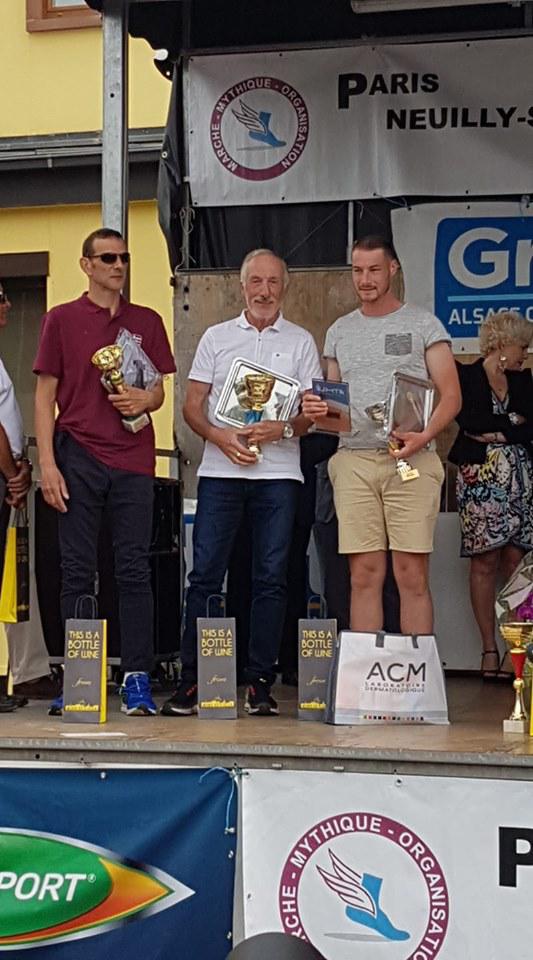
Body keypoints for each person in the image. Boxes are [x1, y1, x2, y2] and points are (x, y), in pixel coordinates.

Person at [162, 248, 322, 717]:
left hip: (279, 475)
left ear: (284, 287)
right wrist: (220, 437)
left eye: (273, 282)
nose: (264, 291)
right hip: (220, 472)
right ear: (242, 285)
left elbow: (312, 416)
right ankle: (193, 681)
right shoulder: (216, 337)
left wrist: (284, 429)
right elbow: (192, 406)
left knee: (271, 578)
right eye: (256, 281)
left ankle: (259, 682)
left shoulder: (301, 341)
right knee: (205, 576)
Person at [33, 228, 176, 715]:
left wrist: (145, 400)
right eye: (108, 258)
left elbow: (158, 390)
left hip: (133, 459)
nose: (118, 266)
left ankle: (136, 677)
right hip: (77, 455)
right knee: (77, 570)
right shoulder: (60, 319)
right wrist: (47, 464)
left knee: (133, 568)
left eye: (124, 258)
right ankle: (80, 677)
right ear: (87, 265)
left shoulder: (146, 320)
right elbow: (44, 397)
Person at [303, 235, 461, 635]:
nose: (365, 279)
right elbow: (334, 405)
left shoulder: (423, 324)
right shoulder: (340, 330)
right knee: (363, 574)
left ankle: (415, 671)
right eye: (358, 270)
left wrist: (422, 437)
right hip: (354, 460)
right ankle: (367, 672)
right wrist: (319, 409)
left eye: (374, 269)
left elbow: (452, 396)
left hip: (411, 458)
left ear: (393, 268)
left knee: (411, 573)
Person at [448, 311, 533, 679]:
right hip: (480, 481)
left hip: (522, 481)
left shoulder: (524, 380)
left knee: (517, 562)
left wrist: (499, 431)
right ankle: (488, 648)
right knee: (484, 561)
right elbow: (470, 422)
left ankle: (518, 652)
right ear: (502, 344)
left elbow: (531, 427)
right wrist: (511, 424)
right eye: (522, 346)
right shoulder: (465, 376)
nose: (525, 354)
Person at [0, 280, 56, 703]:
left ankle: (29, 671)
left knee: (15, 573)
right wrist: (11, 473)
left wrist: (20, 464)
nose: (7, 305)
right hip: (3, 474)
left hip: (10, 469)